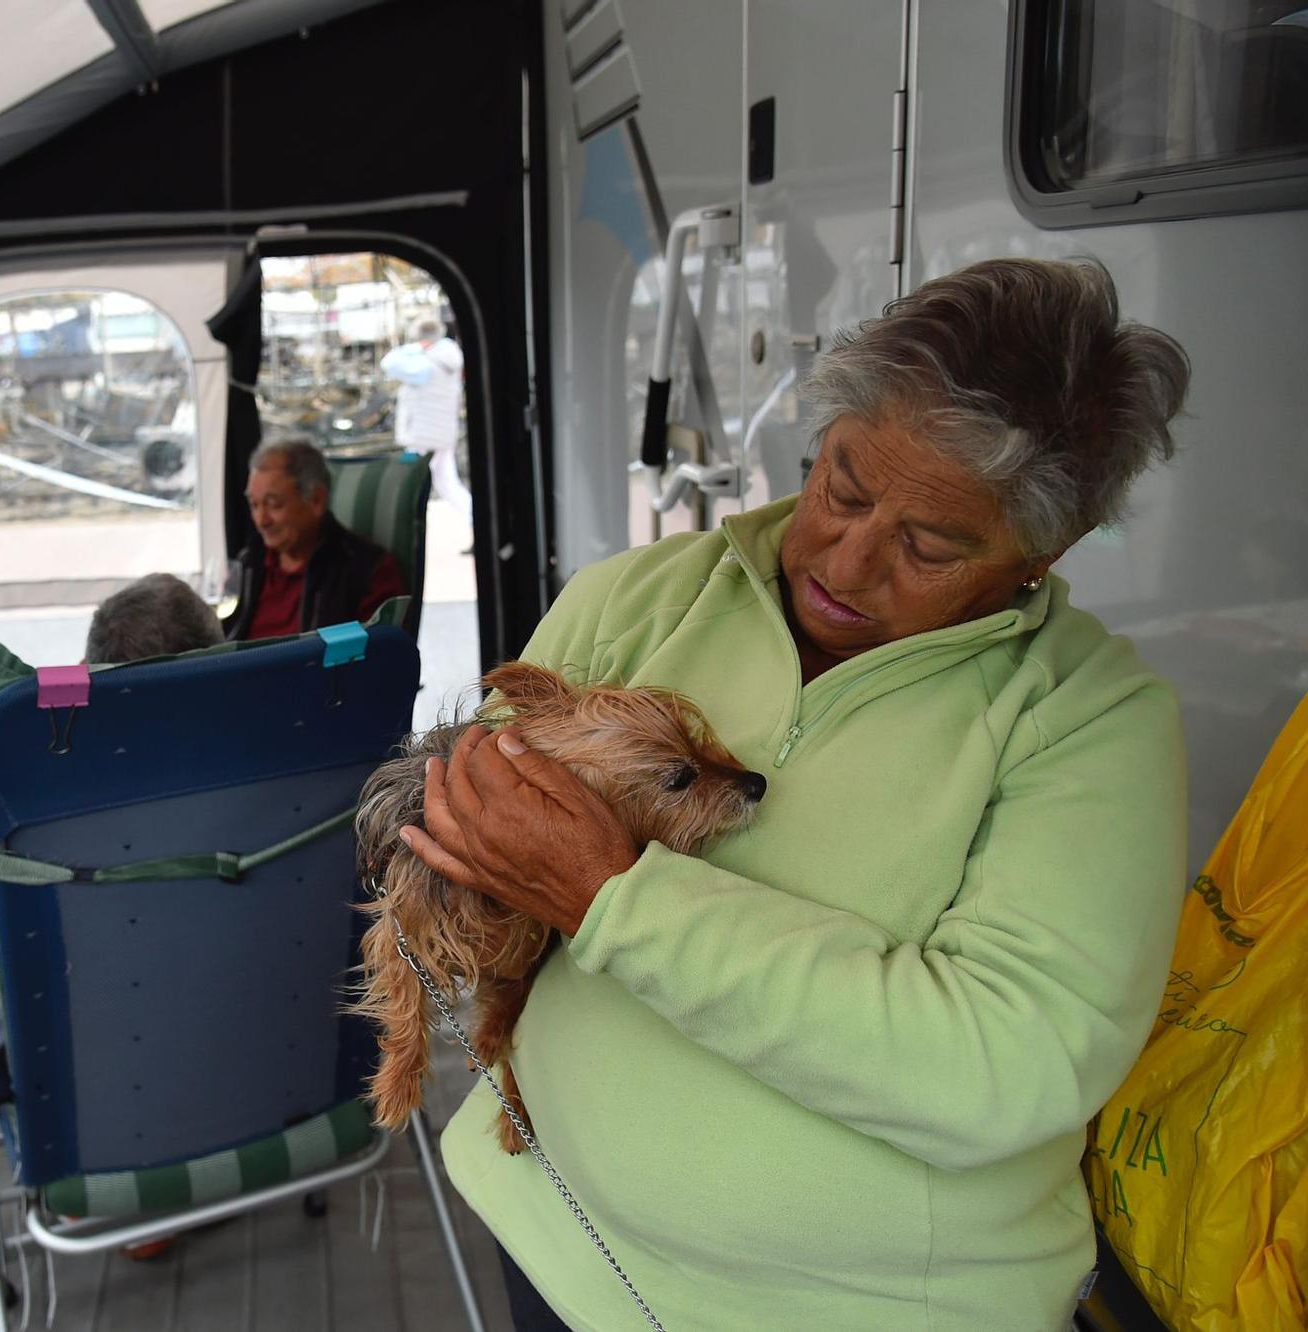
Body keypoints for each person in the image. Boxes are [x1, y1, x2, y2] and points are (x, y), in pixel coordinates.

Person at [401, 258, 1194, 1330]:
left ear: (1044, 551)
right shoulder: (636, 598)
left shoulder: (1090, 724)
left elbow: (1005, 1068)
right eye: (841, 485)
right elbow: (467, 827)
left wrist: (613, 895)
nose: (846, 562)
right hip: (550, 1229)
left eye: (926, 544)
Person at [0, 572, 225, 1051]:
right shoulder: (279, 790)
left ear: (84, 673)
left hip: (98, 1103)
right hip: (263, 1088)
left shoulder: (33, 817)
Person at [222, 436, 404, 641]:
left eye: (274, 505)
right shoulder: (249, 564)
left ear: (317, 500)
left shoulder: (367, 572)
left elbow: (378, 657)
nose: (261, 520)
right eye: (254, 505)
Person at [381, 316, 472, 523]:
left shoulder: (424, 363)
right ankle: (475, 518)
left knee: (409, 479)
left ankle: (406, 521)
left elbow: (388, 363)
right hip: (443, 434)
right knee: (447, 481)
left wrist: (409, 350)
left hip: (419, 436)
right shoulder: (449, 359)